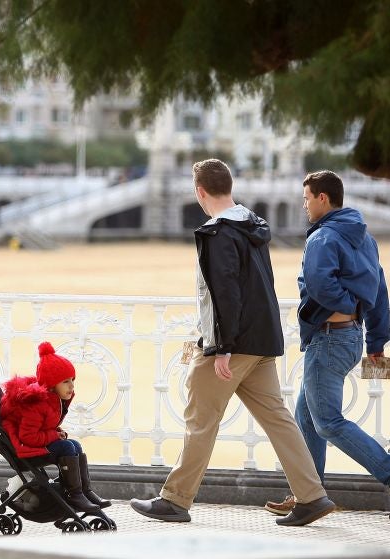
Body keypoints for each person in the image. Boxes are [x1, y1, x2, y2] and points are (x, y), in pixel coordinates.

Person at [130, 159, 335, 527]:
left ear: (200, 192)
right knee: (278, 418)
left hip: (233, 342)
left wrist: (222, 346)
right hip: (263, 339)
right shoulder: (252, 225)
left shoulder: (218, 233)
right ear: (229, 186)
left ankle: (175, 500)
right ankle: (312, 495)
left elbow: (226, 291)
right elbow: (258, 286)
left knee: (200, 418)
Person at [263, 170, 390, 523]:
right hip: (351, 337)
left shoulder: (322, 238)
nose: (304, 205)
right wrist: (377, 340)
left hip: (330, 338)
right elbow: (379, 291)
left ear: (323, 198)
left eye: (307, 199)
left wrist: (343, 303)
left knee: (328, 421)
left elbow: (319, 283)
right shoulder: (365, 237)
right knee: (306, 414)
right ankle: (309, 495)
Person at [0, 342, 111, 512]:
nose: (71, 386)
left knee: (75, 445)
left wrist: (56, 431)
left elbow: (44, 426)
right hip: (26, 451)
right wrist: (53, 435)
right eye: (66, 382)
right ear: (51, 385)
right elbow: (27, 436)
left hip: (37, 444)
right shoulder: (37, 404)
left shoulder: (53, 399)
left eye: (72, 380)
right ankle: (74, 494)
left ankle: (84, 491)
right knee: (67, 446)